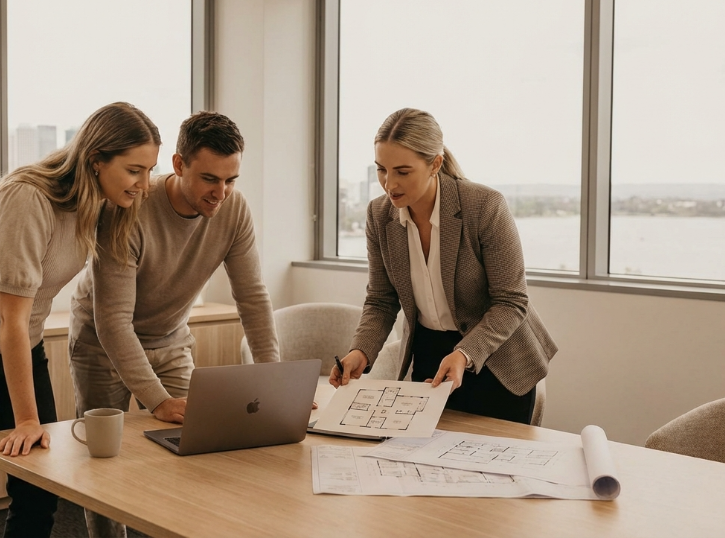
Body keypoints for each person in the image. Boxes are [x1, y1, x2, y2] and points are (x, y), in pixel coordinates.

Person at [0, 102, 160, 538]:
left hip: (22, 346)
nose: (144, 185)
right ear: (95, 160)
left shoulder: (101, 202)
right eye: (135, 171)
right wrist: (27, 420)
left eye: (150, 171)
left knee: (40, 486)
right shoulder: (27, 199)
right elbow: (11, 319)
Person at [68, 110, 279, 538]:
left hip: (169, 340)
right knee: (105, 460)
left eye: (230, 180)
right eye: (209, 179)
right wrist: (157, 400)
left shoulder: (233, 210)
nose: (221, 193)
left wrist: (273, 375)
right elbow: (112, 323)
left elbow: (252, 297)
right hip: (101, 344)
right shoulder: (128, 209)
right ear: (179, 165)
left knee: (199, 450)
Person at [330, 108, 557, 425]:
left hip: (497, 360)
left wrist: (465, 354)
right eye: (381, 169)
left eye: (403, 172)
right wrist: (361, 352)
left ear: (435, 164)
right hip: (430, 359)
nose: (388, 183)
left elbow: (511, 301)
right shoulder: (379, 216)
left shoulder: (485, 206)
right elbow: (381, 300)